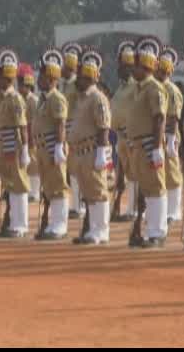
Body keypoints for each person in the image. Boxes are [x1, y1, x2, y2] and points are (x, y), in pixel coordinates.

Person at [69, 49, 112, 246]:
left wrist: (102, 153)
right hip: (80, 152)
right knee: (88, 193)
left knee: (98, 191)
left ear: (89, 77)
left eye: (81, 76)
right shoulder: (82, 98)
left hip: (93, 150)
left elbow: (103, 127)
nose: (78, 79)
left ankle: (101, 230)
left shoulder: (98, 98)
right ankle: (93, 228)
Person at [128, 38, 169, 248]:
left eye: (135, 64)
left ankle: (158, 232)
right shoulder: (139, 87)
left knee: (155, 187)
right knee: (146, 188)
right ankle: (150, 230)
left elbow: (159, 118)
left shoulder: (154, 88)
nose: (132, 69)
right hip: (138, 145)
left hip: (148, 145)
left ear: (144, 64)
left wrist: (156, 148)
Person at [0, 50, 31, 238]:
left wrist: (24, 150)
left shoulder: (15, 98)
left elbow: (22, 125)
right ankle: (14, 221)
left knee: (19, 183)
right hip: (3, 142)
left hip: (13, 143)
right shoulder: (0, 98)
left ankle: (21, 224)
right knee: (9, 184)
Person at [34, 49, 70, 240]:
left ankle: (60, 225)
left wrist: (58, 146)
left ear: (51, 78)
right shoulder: (43, 99)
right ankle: (52, 224)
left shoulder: (57, 99)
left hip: (51, 146)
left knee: (58, 185)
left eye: (42, 75)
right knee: (48, 186)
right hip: (42, 148)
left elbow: (60, 123)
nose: (39, 79)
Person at [156, 47, 184, 227]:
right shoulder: (156, 87)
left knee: (173, 173)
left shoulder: (172, 90)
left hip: (169, 135)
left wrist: (171, 140)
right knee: (161, 173)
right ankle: (165, 209)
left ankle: (175, 210)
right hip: (159, 135)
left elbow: (174, 117)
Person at [111, 40, 139, 223]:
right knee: (127, 174)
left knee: (135, 173)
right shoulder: (121, 88)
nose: (119, 68)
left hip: (131, 135)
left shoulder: (135, 87)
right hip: (120, 135)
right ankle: (129, 208)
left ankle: (134, 210)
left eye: (122, 65)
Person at [59, 42, 83, 218]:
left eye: (66, 67)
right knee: (69, 170)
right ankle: (74, 205)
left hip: (75, 130)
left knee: (76, 170)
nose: (62, 69)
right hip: (66, 130)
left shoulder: (76, 85)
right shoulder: (64, 84)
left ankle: (79, 205)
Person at [19, 64, 42, 203]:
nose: (19, 87)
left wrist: (32, 138)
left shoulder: (33, 100)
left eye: (22, 84)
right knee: (26, 165)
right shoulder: (22, 99)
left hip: (32, 135)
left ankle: (35, 192)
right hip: (23, 136)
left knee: (33, 165)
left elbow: (34, 121)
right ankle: (30, 190)